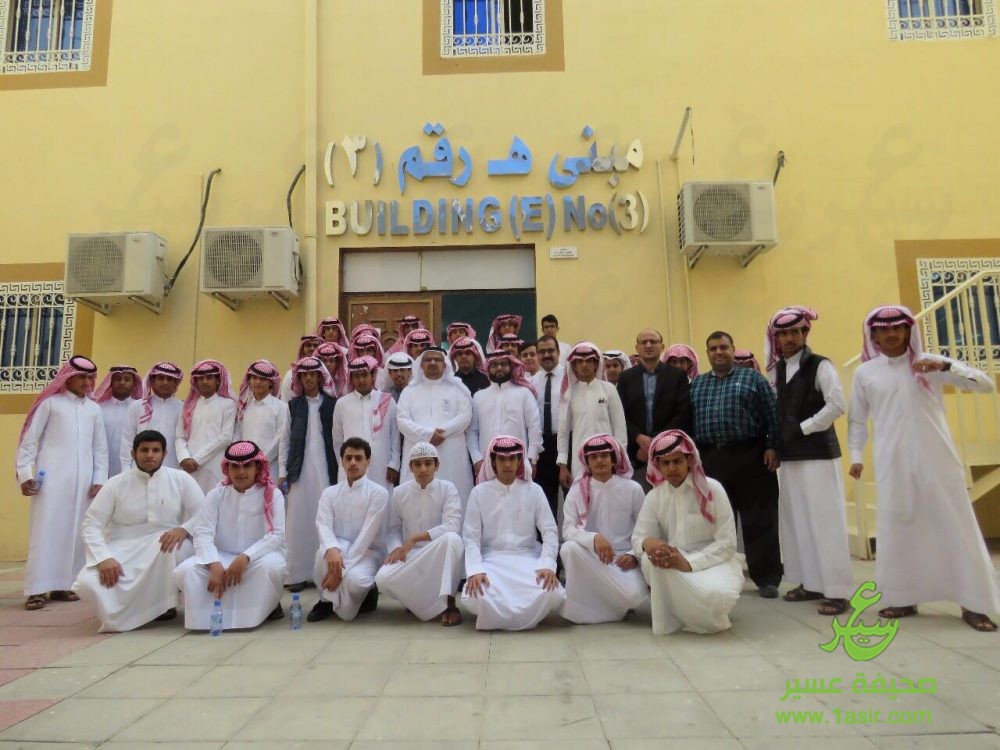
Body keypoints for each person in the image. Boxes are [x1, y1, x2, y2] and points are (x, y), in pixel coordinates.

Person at [848, 305, 1000, 631]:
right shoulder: (865, 373)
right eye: (883, 330)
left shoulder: (929, 363)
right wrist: (856, 455)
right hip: (892, 460)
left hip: (937, 457)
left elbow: (985, 385)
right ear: (873, 336)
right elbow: (857, 419)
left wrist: (947, 366)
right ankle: (902, 597)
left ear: (908, 330)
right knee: (899, 525)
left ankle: (975, 604)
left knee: (955, 524)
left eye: (897, 328)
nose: (891, 334)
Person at [765, 307, 854, 615]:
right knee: (799, 522)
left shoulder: (820, 365)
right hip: (790, 458)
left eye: (794, 332)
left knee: (825, 522)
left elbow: (837, 405)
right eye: (783, 334)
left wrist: (804, 428)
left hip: (818, 454)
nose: (789, 339)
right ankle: (812, 583)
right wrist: (777, 443)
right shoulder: (777, 370)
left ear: (805, 333)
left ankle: (838, 591)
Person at [75, 429, 203, 631]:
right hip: (122, 548)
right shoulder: (115, 483)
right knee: (87, 582)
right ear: (133, 454)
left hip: (163, 544)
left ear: (164, 454)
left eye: (155, 450)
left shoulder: (181, 479)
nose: (150, 455)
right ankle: (129, 615)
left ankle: (163, 605)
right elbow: (91, 524)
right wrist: (103, 558)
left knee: (176, 549)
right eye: (144, 450)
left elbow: (204, 514)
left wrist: (184, 529)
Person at [690, 331, 782, 598]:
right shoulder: (697, 384)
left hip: (751, 455)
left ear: (733, 349)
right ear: (707, 353)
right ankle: (717, 574)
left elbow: (772, 415)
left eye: (723, 347)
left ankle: (766, 577)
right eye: (713, 348)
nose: (718, 352)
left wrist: (773, 446)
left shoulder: (752, 378)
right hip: (710, 458)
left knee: (759, 518)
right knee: (715, 520)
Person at [17, 356, 108, 611]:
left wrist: (99, 479)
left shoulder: (94, 409)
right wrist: (25, 475)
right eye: (82, 377)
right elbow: (29, 442)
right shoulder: (50, 404)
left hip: (84, 482)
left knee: (76, 532)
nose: (87, 382)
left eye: (90, 378)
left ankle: (65, 584)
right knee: (46, 531)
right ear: (68, 378)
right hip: (51, 480)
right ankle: (36, 589)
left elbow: (100, 449)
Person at [633, 430, 744, 634]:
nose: (672, 468)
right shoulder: (655, 496)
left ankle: (685, 611)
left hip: (714, 563)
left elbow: (727, 544)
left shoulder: (712, 489)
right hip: (672, 563)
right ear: (658, 466)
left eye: (677, 461)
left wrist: (688, 563)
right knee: (651, 560)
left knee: (715, 596)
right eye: (666, 463)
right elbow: (639, 537)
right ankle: (681, 614)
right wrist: (648, 544)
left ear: (689, 460)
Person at [174, 441, 287, 630]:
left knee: (271, 567)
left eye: (247, 466)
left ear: (257, 467)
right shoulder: (216, 495)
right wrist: (214, 563)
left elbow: (276, 535)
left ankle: (266, 607)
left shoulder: (272, 494)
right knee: (187, 571)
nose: (240, 472)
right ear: (228, 468)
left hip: (257, 558)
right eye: (235, 466)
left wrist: (245, 557)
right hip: (221, 557)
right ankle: (205, 619)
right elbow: (202, 533)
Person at [462, 435, 565, 630]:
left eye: (512, 459)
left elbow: (550, 531)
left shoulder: (534, 491)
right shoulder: (479, 492)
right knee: (473, 595)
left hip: (528, 557)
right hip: (492, 559)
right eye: (502, 459)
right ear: (493, 462)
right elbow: (470, 536)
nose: (507, 464)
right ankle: (521, 615)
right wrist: (476, 570)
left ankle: (505, 616)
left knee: (553, 593)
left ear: (519, 461)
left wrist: (547, 565)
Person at [560, 434, 647, 624]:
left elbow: (645, 529)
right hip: (592, 558)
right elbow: (568, 530)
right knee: (568, 548)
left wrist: (633, 555)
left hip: (622, 560)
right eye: (593, 457)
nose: (599, 460)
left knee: (635, 596)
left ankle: (603, 604)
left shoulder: (633, 489)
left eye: (604, 455)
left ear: (614, 459)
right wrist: (593, 539)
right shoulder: (577, 490)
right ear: (587, 462)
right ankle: (603, 606)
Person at [375, 442, 465, 625]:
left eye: (428, 463)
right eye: (418, 464)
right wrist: (397, 548)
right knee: (382, 579)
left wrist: (415, 538)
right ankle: (418, 602)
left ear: (436, 465)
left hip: (439, 551)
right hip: (412, 554)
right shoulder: (399, 492)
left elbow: (452, 525)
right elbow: (393, 528)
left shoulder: (448, 489)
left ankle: (449, 603)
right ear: (410, 467)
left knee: (452, 539)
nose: (423, 469)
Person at [309, 437, 389, 621]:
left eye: (358, 458)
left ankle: (367, 594)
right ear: (342, 462)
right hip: (337, 550)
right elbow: (323, 524)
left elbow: (366, 536)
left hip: (368, 553)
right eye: (348, 458)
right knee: (321, 555)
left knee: (355, 582)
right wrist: (331, 548)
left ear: (368, 461)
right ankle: (326, 602)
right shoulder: (330, 493)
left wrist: (340, 573)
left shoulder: (379, 493)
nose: (353, 463)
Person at [285, 356, 338, 591]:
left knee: (324, 517)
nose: (308, 378)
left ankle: (323, 571)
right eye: (304, 375)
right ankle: (297, 573)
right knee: (297, 520)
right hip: (299, 471)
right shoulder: (293, 406)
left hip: (326, 470)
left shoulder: (332, 404)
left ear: (320, 377)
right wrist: (283, 472)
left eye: (312, 374)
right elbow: (285, 440)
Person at [397, 347, 474, 505]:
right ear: (421, 365)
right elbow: (402, 420)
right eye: (428, 360)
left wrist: (441, 433)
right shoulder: (409, 391)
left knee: (455, 494)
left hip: (451, 452)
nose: (432, 363)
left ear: (445, 364)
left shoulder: (458, 389)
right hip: (418, 449)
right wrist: (428, 434)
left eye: (437, 359)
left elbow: (465, 416)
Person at [617, 329, 692, 489]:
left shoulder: (677, 376)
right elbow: (620, 415)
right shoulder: (625, 378)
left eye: (653, 341)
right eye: (644, 342)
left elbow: (682, 413)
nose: (648, 345)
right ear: (637, 347)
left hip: (670, 452)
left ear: (662, 346)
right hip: (637, 454)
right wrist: (638, 438)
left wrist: (655, 443)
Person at [557, 342, 628, 485]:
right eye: (580, 361)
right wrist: (563, 466)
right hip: (579, 458)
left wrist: (618, 457)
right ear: (574, 366)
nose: (584, 365)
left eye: (589, 360)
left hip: (607, 456)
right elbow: (563, 431)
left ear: (596, 364)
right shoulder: (569, 393)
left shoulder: (608, 389)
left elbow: (619, 427)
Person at [468, 351, 542, 479]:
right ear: (488, 368)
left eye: (503, 364)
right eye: (494, 365)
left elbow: (534, 427)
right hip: (487, 462)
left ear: (511, 367)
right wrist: (476, 459)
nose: (499, 368)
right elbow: (472, 431)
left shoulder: (524, 393)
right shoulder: (478, 397)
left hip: (518, 460)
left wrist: (532, 458)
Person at [332, 355, 401, 492]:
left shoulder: (387, 401)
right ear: (351, 378)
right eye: (357, 376)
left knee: (381, 497)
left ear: (372, 376)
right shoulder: (342, 403)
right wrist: (344, 463)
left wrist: (394, 464)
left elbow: (395, 436)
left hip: (381, 465)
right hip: (351, 465)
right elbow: (337, 440)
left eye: (365, 375)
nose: (361, 380)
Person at [175, 360, 237, 494]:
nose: (204, 381)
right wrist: (184, 458)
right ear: (195, 382)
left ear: (217, 381)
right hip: (189, 466)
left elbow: (226, 437)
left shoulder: (228, 404)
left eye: (209, 377)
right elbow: (180, 436)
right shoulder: (189, 405)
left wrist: (197, 459)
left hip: (214, 466)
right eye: (200, 378)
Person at [235, 359, 290, 489]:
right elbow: (237, 435)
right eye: (254, 378)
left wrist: (259, 461)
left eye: (262, 378)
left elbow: (280, 439)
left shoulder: (281, 407)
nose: (258, 382)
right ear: (249, 381)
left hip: (270, 467)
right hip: (244, 469)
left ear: (270, 382)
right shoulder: (244, 407)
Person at [120, 361, 185, 472]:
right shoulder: (137, 406)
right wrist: (126, 470)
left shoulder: (183, 408)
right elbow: (127, 441)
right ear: (152, 381)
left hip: (173, 469)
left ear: (176, 383)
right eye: (160, 378)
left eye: (169, 379)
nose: (165, 382)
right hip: (140, 469)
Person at [530, 335, 565, 519]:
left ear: (558, 352)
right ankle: (548, 536)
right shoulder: (531, 383)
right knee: (545, 498)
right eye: (542, 352)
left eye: (550, 351)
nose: (546, 355)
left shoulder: (570, 378)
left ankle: (574, 535)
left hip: (566, 442)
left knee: (572, 495)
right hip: (543, 446)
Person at [94, 365, 142, 478]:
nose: (122, 382)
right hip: (103, 467)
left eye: (127, 379)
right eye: (118, 379)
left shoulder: (142, 409)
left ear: (134, 384)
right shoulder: (99, 408)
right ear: (110, 383)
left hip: (133, 466)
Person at [280, 335, 324, 401]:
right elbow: (286, 400)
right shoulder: (291, 374)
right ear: (302, 349)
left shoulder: (326, 372)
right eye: (308, 345)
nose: (312, 348)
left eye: (315, 346)